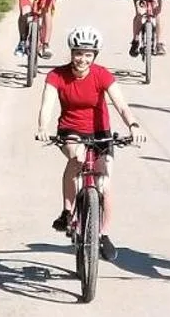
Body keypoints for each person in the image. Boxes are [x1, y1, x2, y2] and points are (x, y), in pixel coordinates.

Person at [32, 26, 140, 261]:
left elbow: (121, 105)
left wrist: (133, 125)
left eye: (88, 54)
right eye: (78, 53)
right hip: (71, 129)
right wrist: (42, 127)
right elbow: (47, 105)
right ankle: (68, 211)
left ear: (95, 56)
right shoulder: (57, 76)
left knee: (105, 180)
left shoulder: (102, 75)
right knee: (78, 156)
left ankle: (102, 234)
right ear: (71, 53)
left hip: (101, 132)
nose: (82, 59)